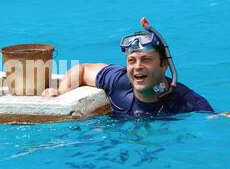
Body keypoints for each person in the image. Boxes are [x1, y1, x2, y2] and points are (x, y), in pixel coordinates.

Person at [42, 18, 214, 117]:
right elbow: (82, 69)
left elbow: (214, 119)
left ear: (164, 66)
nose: (137, 67)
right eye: (132, 61)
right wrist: (60, 93)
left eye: (146, 60)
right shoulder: (119, 81)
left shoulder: (187, 102)